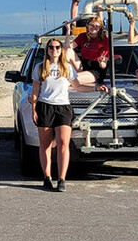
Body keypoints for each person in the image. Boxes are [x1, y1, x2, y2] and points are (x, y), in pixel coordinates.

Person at [28, 38, 107, 192]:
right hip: (45, 107)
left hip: (63, 108)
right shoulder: (40, 67)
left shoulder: (67, 67)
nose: (54, 50)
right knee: (45, 145)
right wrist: (34, 109)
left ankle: (62, 179)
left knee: (64, 144)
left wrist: (95, 88)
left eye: (57, 47)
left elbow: (77, 86)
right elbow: (35, 91)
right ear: (47, 50)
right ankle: (47, 177)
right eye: (51, 47)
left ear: (61, 50)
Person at [67, 14, 111, 86]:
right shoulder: (82, 36)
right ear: (87, 25)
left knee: (73, 79)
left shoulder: (105, 40)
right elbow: (67, 47)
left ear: (100, 28)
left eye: (97, 26)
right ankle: (56, 69)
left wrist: (102, 62)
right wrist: (68, 31)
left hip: (96, 70)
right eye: (92, 25)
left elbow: (103, 65)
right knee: (68, 50)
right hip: (83, 66)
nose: (94, 28)